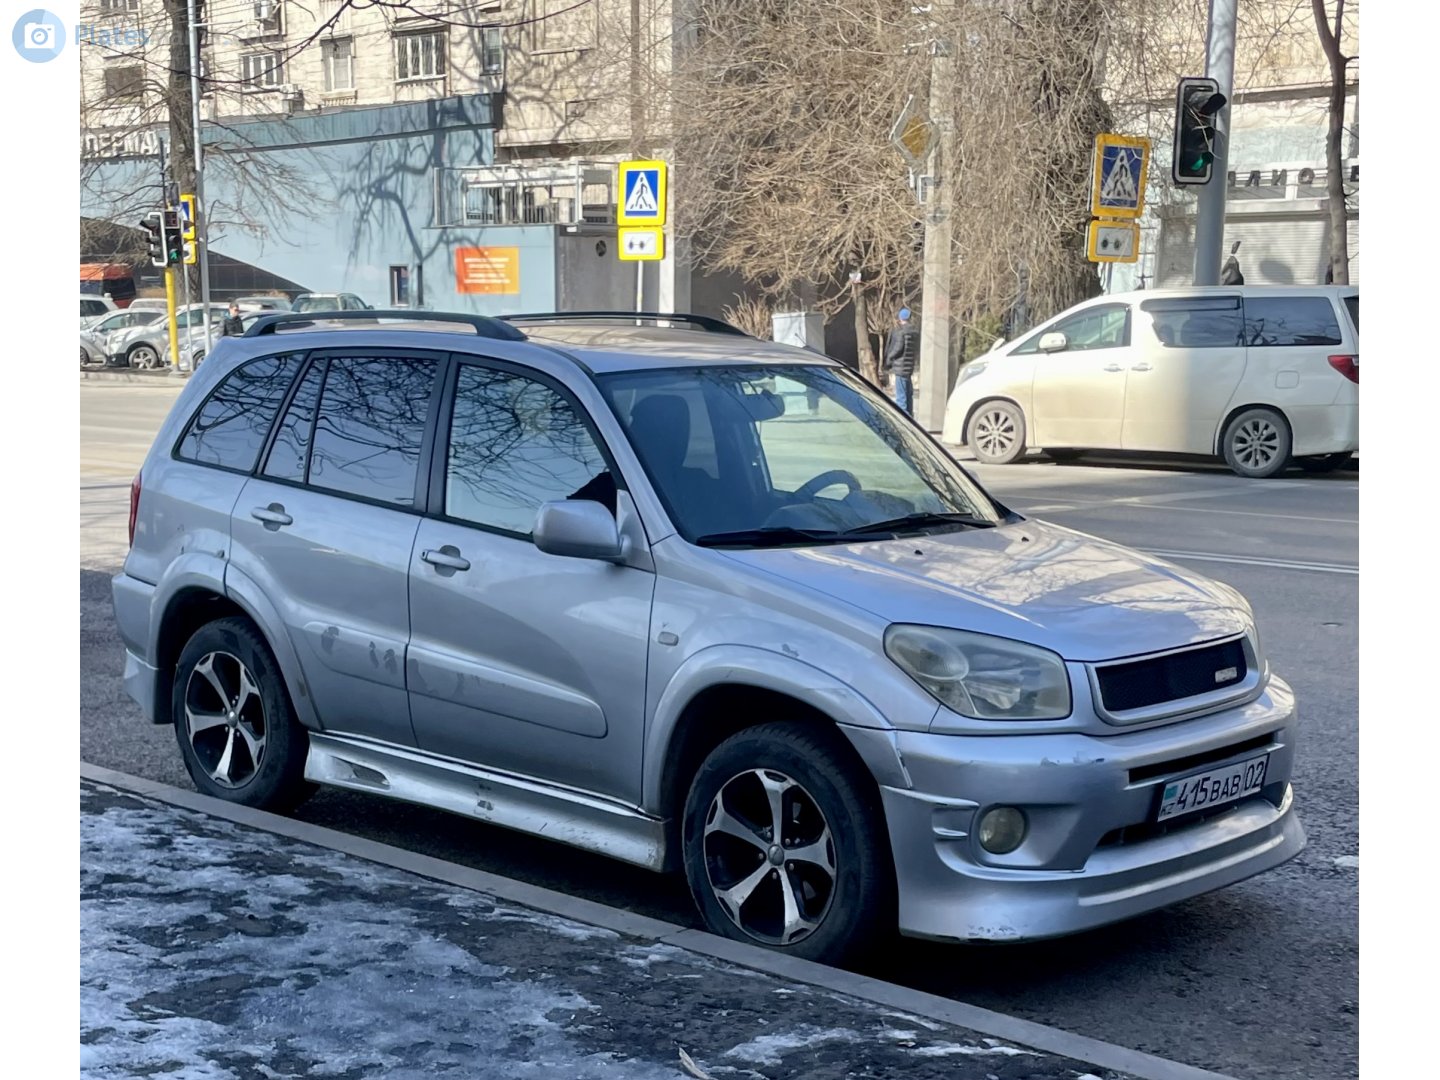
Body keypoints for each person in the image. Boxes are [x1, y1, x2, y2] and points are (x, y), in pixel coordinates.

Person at [883, 307, 920, 415]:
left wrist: (889, 358)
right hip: (909, 368)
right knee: (908, 395)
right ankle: (910, 417)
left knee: (901, 398)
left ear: (900, 318)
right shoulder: (914, 333)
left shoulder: (901, 332)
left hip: (900, 367)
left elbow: (898, 348)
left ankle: (903, 419)